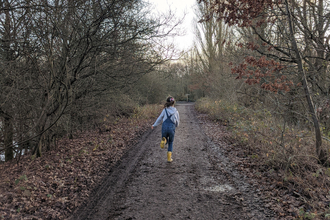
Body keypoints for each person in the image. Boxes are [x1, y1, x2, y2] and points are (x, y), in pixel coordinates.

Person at [151, 96, 180, 162]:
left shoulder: (165, 110)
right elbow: (177, 122)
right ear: (173, 103)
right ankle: (169, 159)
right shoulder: (176, 112)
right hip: (171, 128)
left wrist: (154, 125)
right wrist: (176, 125)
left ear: (167, 102)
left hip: (164, 127)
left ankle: (164, 140)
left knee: (164, 137)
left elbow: (159, 118)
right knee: (171, 142)